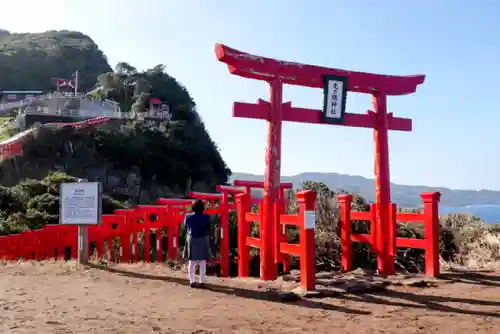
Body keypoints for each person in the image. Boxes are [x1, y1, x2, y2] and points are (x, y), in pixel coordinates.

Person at [183, 199, 212, 288]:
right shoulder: (206, 217)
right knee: (202, 261)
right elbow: (208, 228)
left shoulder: (188, 217)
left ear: (193, 207)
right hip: (203, 238)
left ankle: (192, 281)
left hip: (191, 238)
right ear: (202, 208)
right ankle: (201, 282)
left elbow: (185, 228)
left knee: (192, 261)